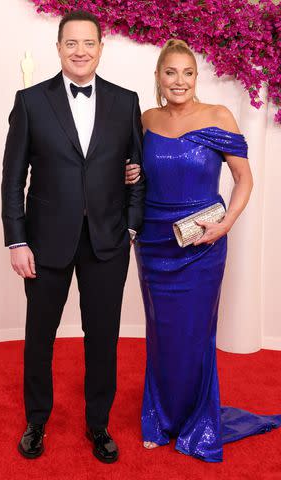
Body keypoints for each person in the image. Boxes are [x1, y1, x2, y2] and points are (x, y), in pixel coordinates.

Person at [126, 39, 281, 462]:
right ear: (158, 77)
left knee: (194, 333)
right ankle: (160, 420)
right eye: (170, 72)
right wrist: (131, 172)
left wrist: (226, 223)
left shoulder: (219, 116)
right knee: (160, 333)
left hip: (203, 242)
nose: (179, 81)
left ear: (196, 77)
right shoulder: (146, 120)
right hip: (155, 242)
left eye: (187, 72)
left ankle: (196, 420)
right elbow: (138, 178)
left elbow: (244, 179)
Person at [1, 10, 145, 463]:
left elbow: (138, 173)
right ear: (58, 48)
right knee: (39, 336)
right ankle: (36, 421)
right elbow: (12, 178)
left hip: (108, 240)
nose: (80, 51)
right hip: (44, 243)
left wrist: (132, 225)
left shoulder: (126, 101)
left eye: (89, 43)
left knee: (102, 336)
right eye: (71, 43)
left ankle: (98, 424)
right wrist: (16, 240)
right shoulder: (30, 101)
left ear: (101, 48)